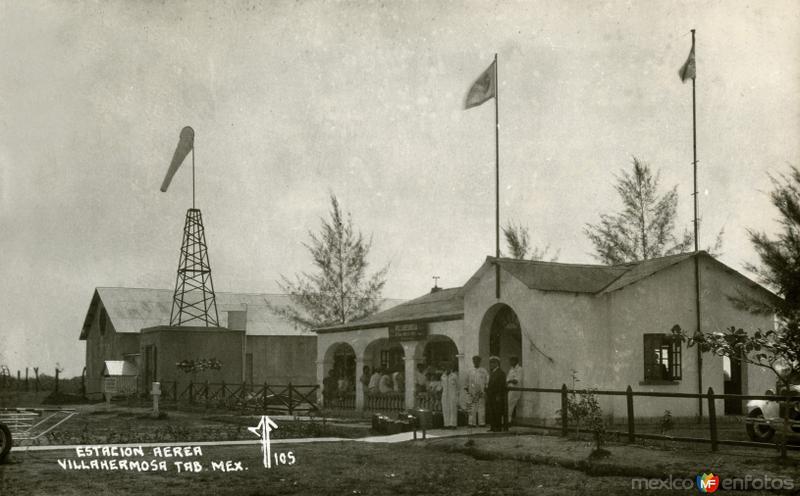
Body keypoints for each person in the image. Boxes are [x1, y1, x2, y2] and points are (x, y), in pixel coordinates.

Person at [465, 355, 489, 426]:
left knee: (481, 407)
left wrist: (485, 388)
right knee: (472, 407)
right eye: (474, 361)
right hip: (472, 392)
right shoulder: (470, 371)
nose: (476, 362)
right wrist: (467, 389)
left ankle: (482, 423)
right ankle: (471, 423)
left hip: (481, 392)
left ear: (479, 361)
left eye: (477, 361)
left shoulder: (483, 371)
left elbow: (487, 380)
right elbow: (466, 381)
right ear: (473, 361)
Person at [486, 356, 506, 432]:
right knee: (492, 411)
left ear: (497, 363)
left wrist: (498, 395)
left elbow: (501, 385)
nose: (491, 364)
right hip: (491, 395)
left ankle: (498, 427)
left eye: (493, 362)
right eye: (491, 362)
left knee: (497, 411)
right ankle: (493, 427)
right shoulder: (492, 373)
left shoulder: (501, 373)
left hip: (497, 396)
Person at [440, 361, 459, 428]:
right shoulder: (443, 376)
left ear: (451, 368)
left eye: (449, 367)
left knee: (453, 409)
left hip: (453, 394)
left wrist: (457, 395)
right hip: (445, 394)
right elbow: (442, 386)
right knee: (445, 409)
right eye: (446, 367)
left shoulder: (454, 376)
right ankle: (446, 424)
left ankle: (453, 424)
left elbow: (458, 386)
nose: (447, 368)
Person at [506, 356, 523, 420]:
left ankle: (508, 421)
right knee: (508, 405)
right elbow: (507, 380)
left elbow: (516, 381)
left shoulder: (519, 369)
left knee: (510, 405)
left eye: (512, 361)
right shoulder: (511, 369)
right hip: (510, 389)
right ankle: (508, 420)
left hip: (515, 390)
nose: (510, 362)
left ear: (516, 361)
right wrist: (510, 380)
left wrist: (510, 380)